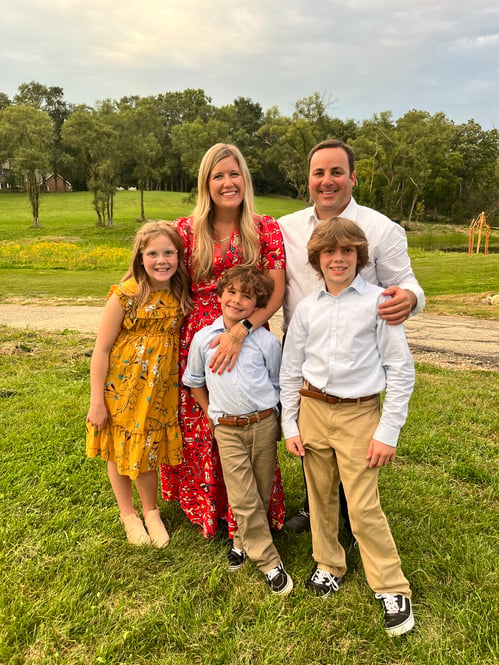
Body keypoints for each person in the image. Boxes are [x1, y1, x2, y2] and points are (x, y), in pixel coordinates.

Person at [278, 139, 424, 533]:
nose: (328, 181)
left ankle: (354, 517)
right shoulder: (285, 229)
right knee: (317, 444)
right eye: (319, 173)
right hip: (304, 354)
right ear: (308, 180)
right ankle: (318, 509)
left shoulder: (381, 229)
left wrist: (410, 298)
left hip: (356, 359)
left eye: (337, 172)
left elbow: (405, 283)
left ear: (353, 177)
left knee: (352, 441)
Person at [280, 218, 415, 636]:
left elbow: (400, 370)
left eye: (347, 252)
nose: (338, 259)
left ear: (360, 256)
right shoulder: (307, 309)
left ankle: (391, 585)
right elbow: (290, 370)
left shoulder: (378, 303)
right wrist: (290, 423)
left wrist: (387, 431)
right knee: (320, 498)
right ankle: (329, 563)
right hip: (312, 410)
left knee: (361, 504)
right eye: (329, 253)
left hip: (359, 415)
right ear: (317, 260)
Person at [159, 143, 286, 540]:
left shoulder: (265, 227)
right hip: (196, 338)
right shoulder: (185, 230)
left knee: (244, 415)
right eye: (218, 176)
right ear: (206, 183)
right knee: (205, 422)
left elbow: (277, 292)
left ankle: (250, 513)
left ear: (244, 179)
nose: (227, 182)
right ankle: (209, 511)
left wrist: (241, 331)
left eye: (234, 174)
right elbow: (158, 273)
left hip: (247, 333)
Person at [182, 265, 293, 595]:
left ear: (257, 304)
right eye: (231, 292)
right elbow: (194, 382)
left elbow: (277, 382)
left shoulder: (264, 342)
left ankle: (242, 542)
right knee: (242, 495)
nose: (237, 300)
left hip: (262, 424)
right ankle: (269, 560)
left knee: (259, 489)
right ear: (219, 296)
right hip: (226, 428)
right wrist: (211, 415)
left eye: (247, 296)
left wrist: (278, 421)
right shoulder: (203, 340)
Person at [86, 221, 191, 547]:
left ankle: (151, 511)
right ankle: (128, 513)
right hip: (122, 390)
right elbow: (101, 349)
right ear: (140, 257)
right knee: (118, 452)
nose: (162, 260)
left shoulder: (178, 291)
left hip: (158, 392)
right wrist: (97, 401)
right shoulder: (126, 295)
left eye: (169, 253)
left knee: (147, 453)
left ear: (178, 256)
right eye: (153, 253)